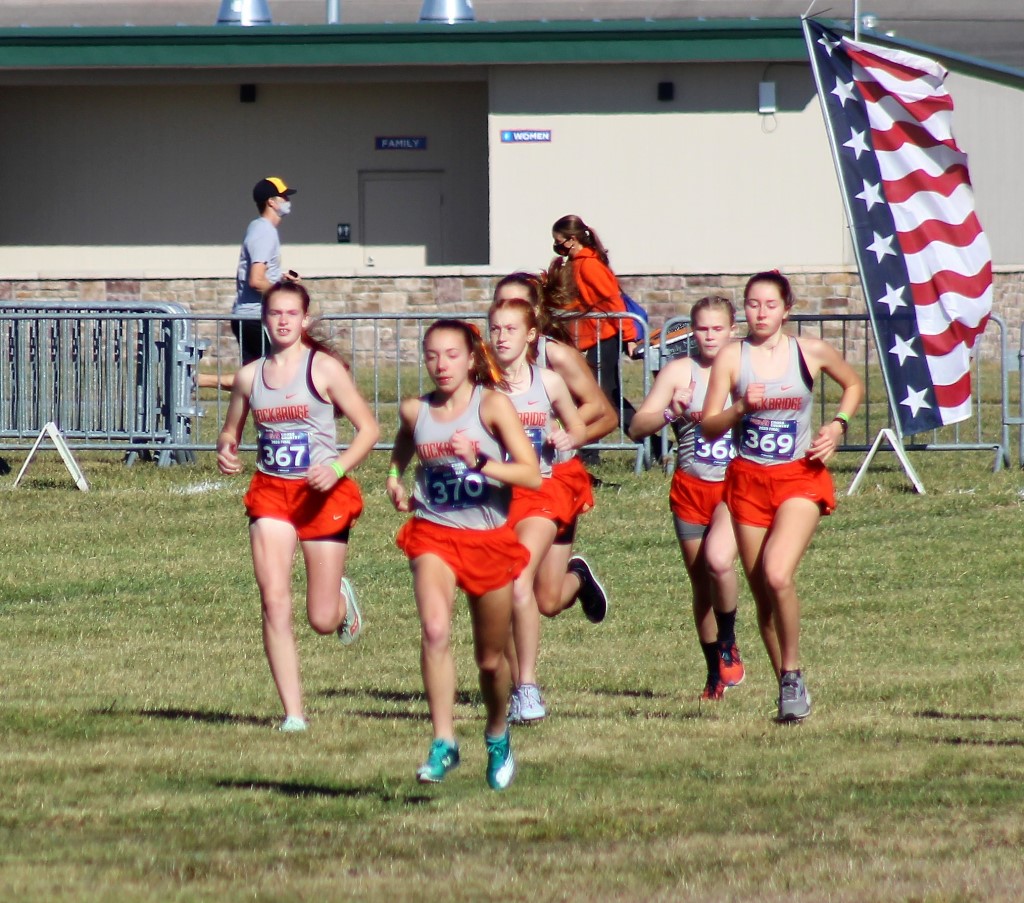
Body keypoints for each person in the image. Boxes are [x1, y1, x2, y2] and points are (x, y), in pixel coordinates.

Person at [216, 281, 379, 732]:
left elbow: (368, 429)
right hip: (271, 496)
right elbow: (231, 429)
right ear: (264, 320)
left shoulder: (323, 369)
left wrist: (340, 468)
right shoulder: (251, 376)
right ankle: (293, 714)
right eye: (275, 314)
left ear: (305, 320)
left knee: (321, 620)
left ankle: (340, 603)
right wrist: (227, 446)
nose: (283, 321)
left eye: (292, 313)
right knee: (274, 602)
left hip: (321, 496)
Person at [701, 271, 863, 723]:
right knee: (764, 601)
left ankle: (791, 673)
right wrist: (739, 409)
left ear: (786, 309)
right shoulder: (733, 358)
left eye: (769, 305)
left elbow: (853, 384)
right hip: (748, 481)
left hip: (799, 478)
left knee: (777, 573)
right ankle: (789, 693)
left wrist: (837, 425)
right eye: (752, 304)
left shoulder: (808, 351)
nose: (760, 313)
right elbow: (709, 423)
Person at [386, 319, 541, 790]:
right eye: (432, 355)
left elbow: (531, 475)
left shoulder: (492, 406)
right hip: (434, 533)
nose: (441, 365)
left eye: (452, 355)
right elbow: (405, 444)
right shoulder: (416, 409)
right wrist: (395, 477)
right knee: (434, 629)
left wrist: (480, 461)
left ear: (471, 358)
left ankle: (497, 734)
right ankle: (444, 741)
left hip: (488, 541)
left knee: (491, 660)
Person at [629, 296, 744, 702]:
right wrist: (668, 412)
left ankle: (730, 641)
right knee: (701, 586)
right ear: (691, 331)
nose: (709, 336)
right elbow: (635, 428)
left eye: (717, 328)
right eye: (701, 329)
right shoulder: (679, 371)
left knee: (719, 563)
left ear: (733, 329)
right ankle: (715, 673)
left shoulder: (745, 369)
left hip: (734, 487)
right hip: (690, 488)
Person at [487, 288, 592, 724]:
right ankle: (517, 685)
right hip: (497, 498)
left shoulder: (546, 381)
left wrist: (569, 437)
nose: (502, 337)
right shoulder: (481, 384)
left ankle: (527, 688)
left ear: (531, 335)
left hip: (543, 492)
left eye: (511, 329)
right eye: (494, 329)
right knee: (526, 596)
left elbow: (578, 422)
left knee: (517, 580)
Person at [546, 214, 643, 448]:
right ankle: (594, 447)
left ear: (571, 240)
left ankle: (651, 443)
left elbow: (614, 303)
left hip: (608, 336)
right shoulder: (576, 263)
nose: (556, 246)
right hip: (597, 337)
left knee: (604, 395)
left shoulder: (589, 264)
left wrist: (630, 337)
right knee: (601, 394)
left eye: (558, 241)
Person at [200, 177, 300, 391]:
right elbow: (256, 280)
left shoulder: (260, 229)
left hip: (252, 316)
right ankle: (197, 380)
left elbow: (260, 276)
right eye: (283, 197)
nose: (287, 200)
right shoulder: (264, 231)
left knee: (262, 379)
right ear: (271, 202)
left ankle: (197, 381)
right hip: (255, 317)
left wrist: (280, 279)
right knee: (266, 378)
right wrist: (282, 294)